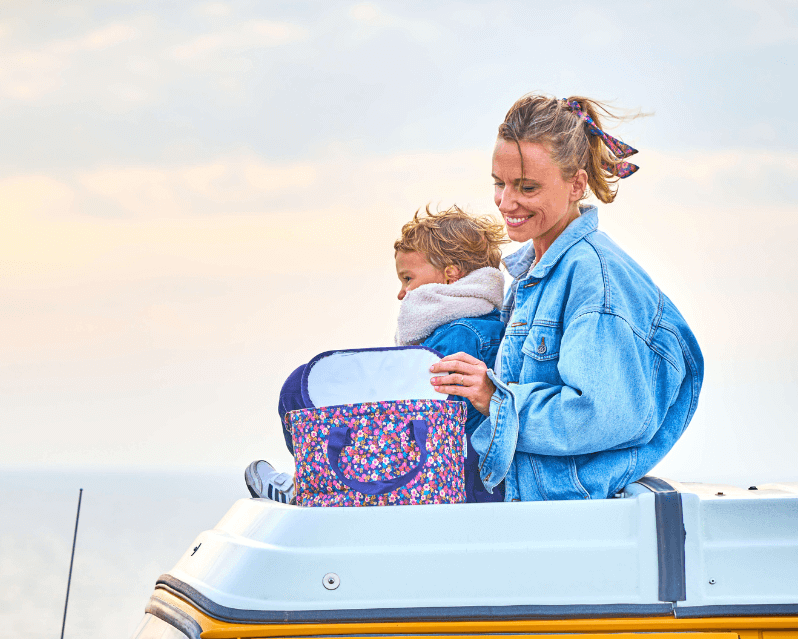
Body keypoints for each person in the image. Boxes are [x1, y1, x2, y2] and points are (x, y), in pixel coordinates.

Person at [429, 94, 703, 501]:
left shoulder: (595, 279)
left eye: (527, 187)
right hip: (529, 499)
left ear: (577, 184)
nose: (507, 202)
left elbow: (597, 414)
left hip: (563, 510)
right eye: (499, 184)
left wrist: (493, 398)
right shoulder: (535, 272)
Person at [246, 205, 508, 503]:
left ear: (450, 276)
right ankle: (313, 479)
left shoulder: (461, 336)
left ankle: (315, 485)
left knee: (298, 388)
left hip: (454, 475)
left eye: (407, 279)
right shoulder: (479, 327)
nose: (401, 293)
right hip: (457, 468)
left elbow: (423, 406)